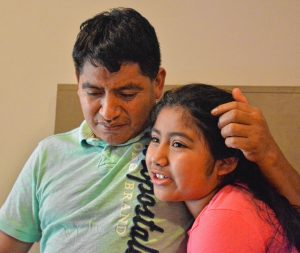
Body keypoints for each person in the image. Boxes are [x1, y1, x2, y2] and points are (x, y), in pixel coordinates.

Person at [0, 7, 299, 253]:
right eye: (93, 92)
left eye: (127, 94)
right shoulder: (49, 154)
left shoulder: (186, 150)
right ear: (78, 83)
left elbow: (284, 218)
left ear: (157, 82)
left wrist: (268, 152)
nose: (108, 112)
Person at [146, 83, 300, 252]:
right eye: (155, 139)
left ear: (225, 163)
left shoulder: (223, 220)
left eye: (178, 144)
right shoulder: (239, 199)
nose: (157, 159)